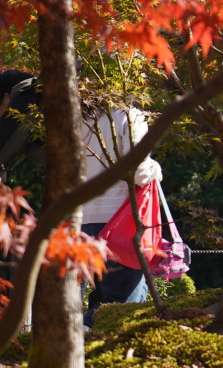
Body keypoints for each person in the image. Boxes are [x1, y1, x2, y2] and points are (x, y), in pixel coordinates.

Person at [80, 100, 164, 327]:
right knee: (123, 305)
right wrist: (156, 168)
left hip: (84, 217)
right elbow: (139, 171)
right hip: (119, 220)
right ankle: (80, 334)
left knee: (100, 297)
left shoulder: (80, 115)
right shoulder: (129, 116)